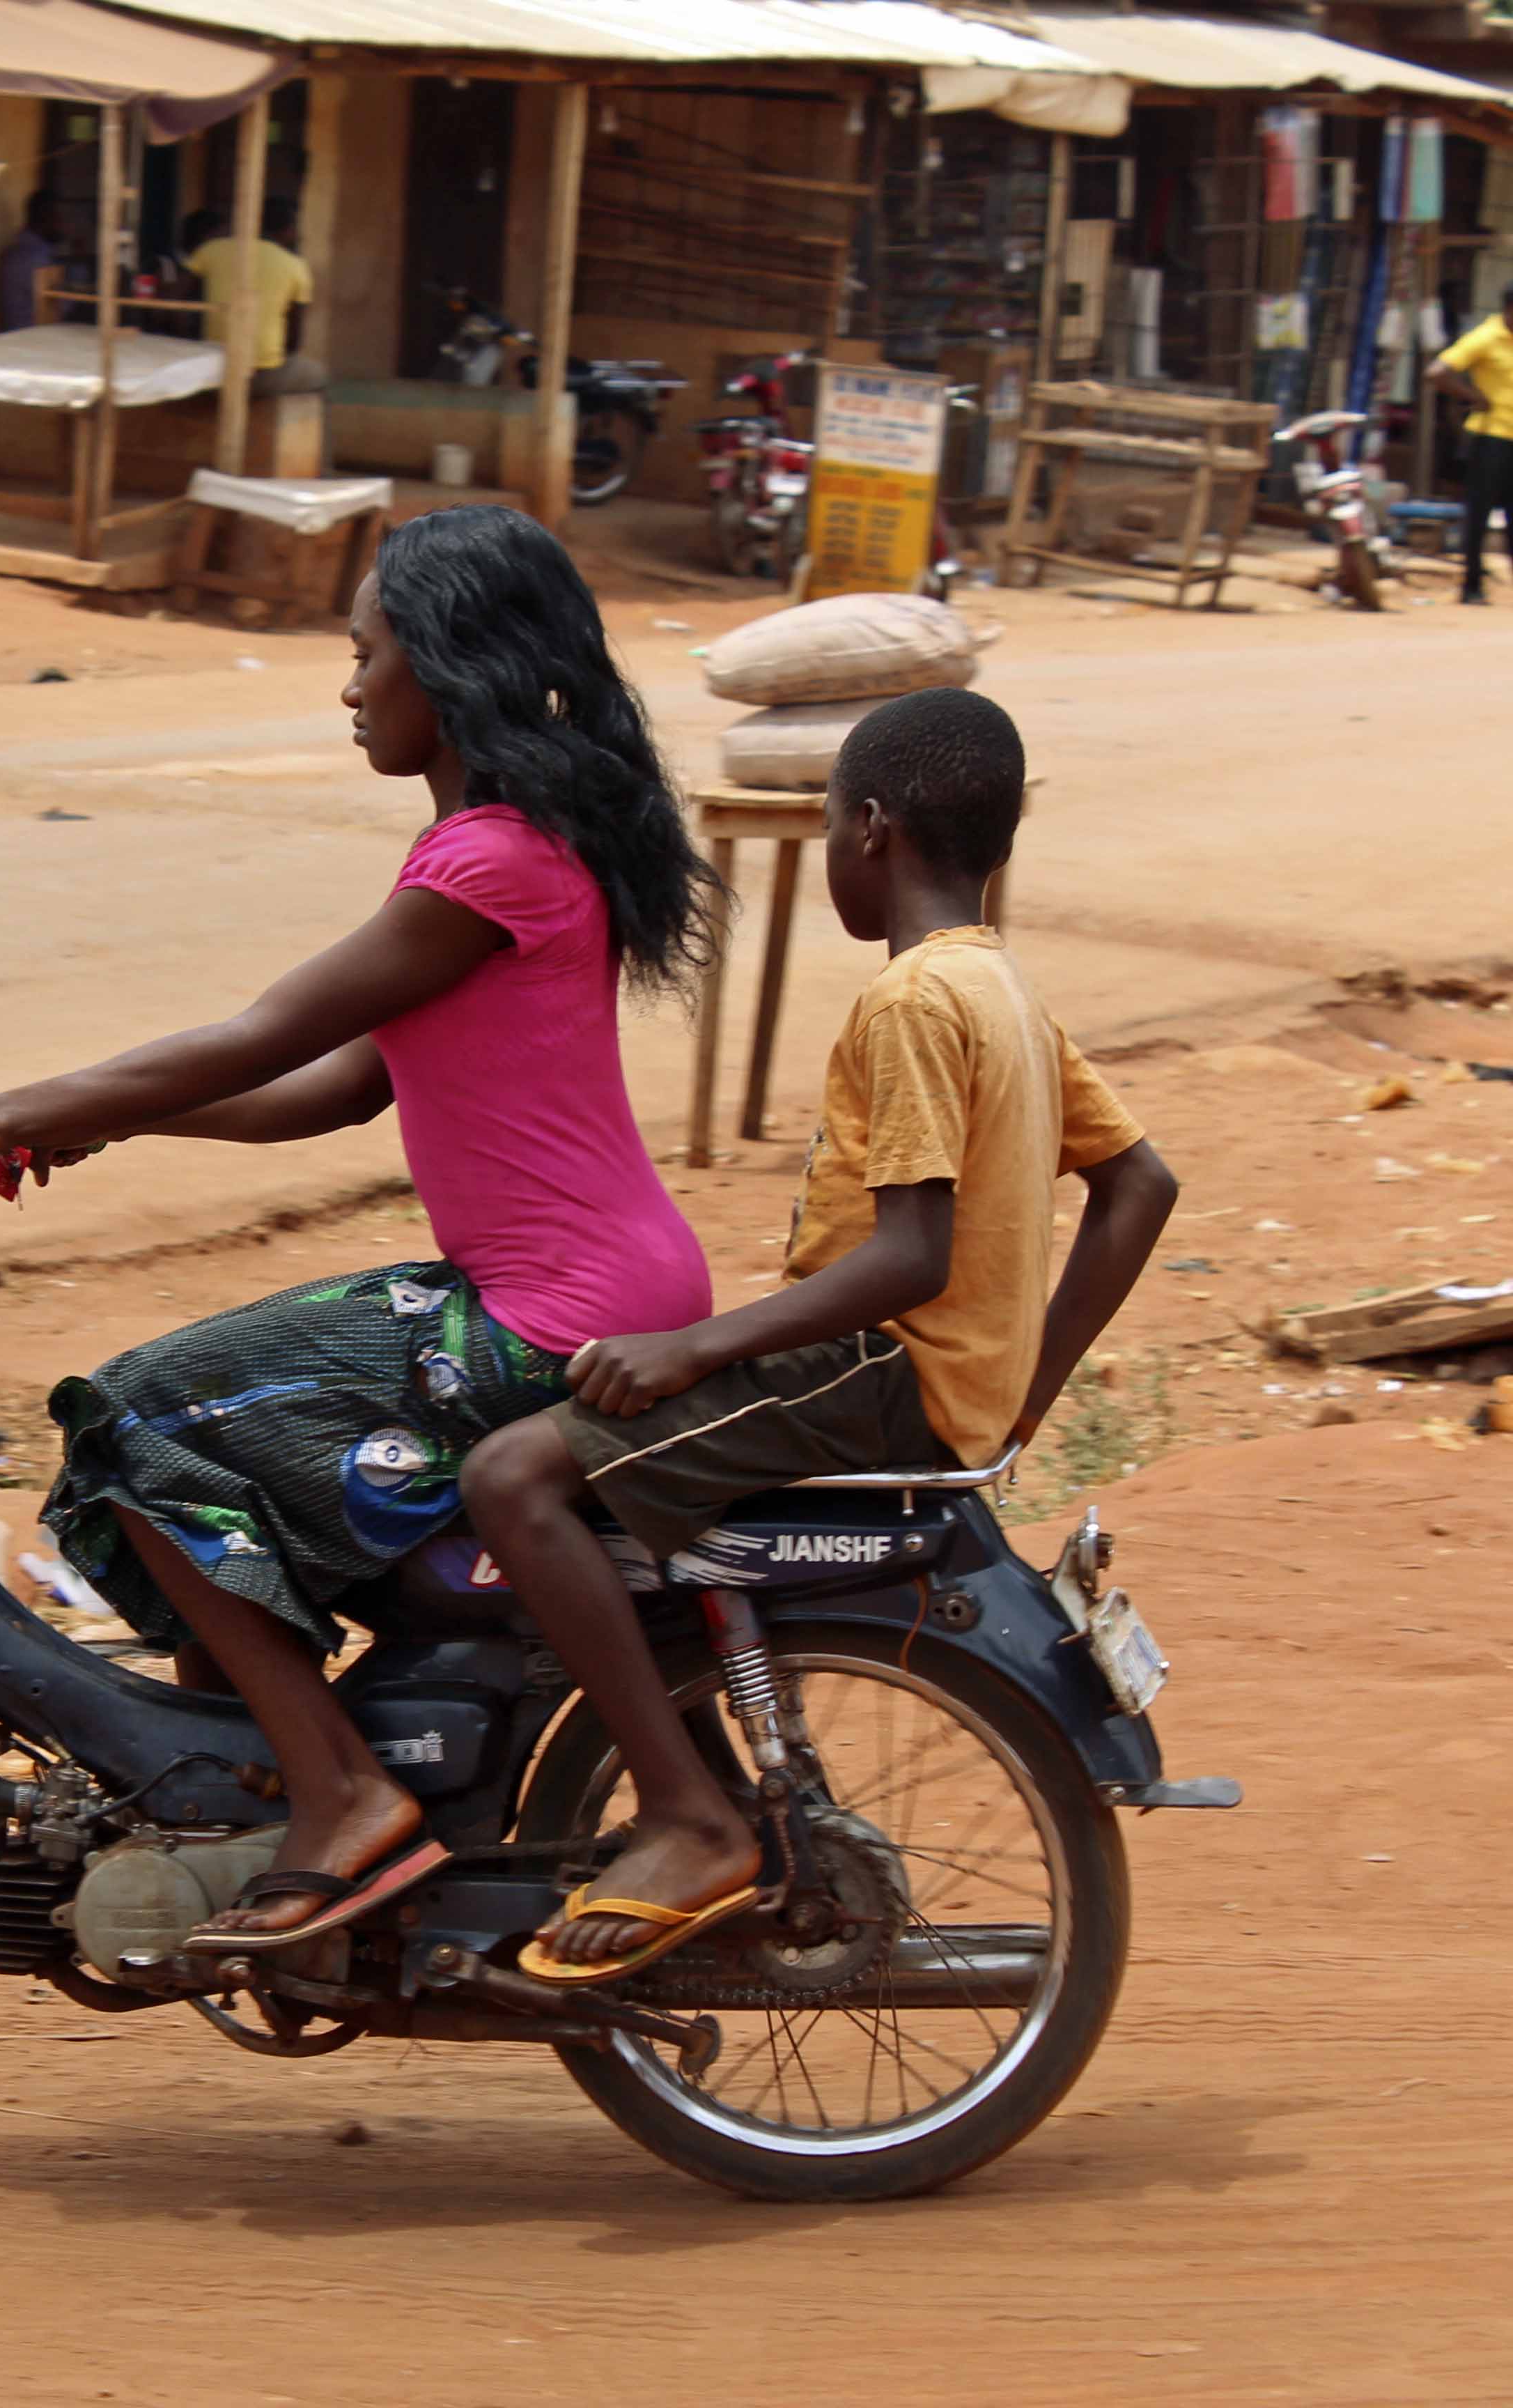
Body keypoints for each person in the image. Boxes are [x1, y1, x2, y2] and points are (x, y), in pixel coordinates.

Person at [0, 506, 720, 1951]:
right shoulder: (508, 853)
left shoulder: (486, 866)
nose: (350, 686)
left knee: (137, 1421)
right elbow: (334, 1088)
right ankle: (281, 1776)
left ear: (442, 666)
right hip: (587, 1284)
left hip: (548, 1313)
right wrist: (98, 1116)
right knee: (220, 1419)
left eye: (366, 650)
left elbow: (265, 1031)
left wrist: (2, 1114)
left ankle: (333, 1793)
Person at [458, 688, 1177, 1985]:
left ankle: (686, 1816)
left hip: (876, 1370)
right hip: (933, 1381)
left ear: (867, 829)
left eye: (832, 820)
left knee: (507, 1477)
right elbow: (1140, 1187)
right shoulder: (1001, 989)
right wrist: (1018, 1394)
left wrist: (696, 1349)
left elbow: (908, 1255)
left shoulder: (910, 1003)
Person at [179, 204, 319, 394]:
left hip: (211, 367)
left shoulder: (211, 249)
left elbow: (178, 298)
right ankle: (274, 421)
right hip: (260, 372)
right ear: (288, 230)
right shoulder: (296, 266)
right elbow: (294, 340)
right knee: (319, 375)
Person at [1432, 298, 1513, 605]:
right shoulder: (1486, 337)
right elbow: (1437, 372)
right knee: (1479, 516)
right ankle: (1472, 586)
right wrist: (1472, 396)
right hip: (1490, 438)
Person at [0, 190, 68, 334]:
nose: (64, 225)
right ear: (44, 219)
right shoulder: (34, 258)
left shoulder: (22, 251)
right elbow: (58, 307)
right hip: (30, 339)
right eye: (59, 219)